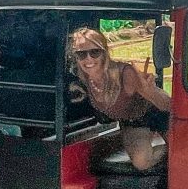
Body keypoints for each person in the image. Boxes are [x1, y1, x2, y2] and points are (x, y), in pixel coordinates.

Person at [69, 27, 171, 171]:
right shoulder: (82, 79)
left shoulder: (125, 74)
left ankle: (172, 151)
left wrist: (150, 90)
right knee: (141, 162)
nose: (89, 59)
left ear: (104, 53)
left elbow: (166, 105)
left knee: (184, 152)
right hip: (134, 121)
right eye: (81, 54)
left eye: (95, 52)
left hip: (158, 113)